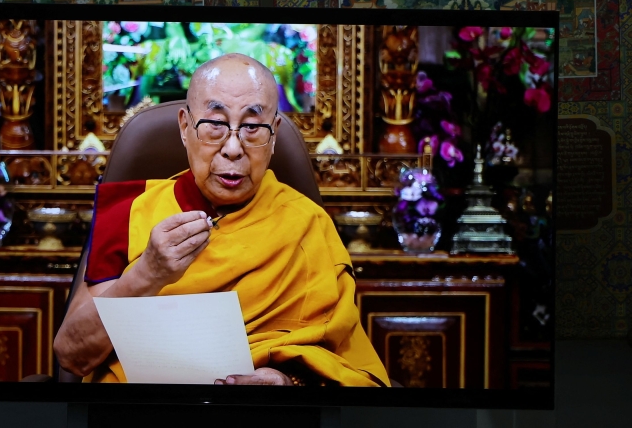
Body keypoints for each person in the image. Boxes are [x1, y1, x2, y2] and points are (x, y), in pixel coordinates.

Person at [54, 53, 389, 386]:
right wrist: (146, 274)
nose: (232, 147)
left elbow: (352, 372)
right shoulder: (131, 212)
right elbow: (72, 354)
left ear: (273, 134)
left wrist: (287, 383)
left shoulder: (307, 224)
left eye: (252, 127)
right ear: (185, 127)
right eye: (215, 124)